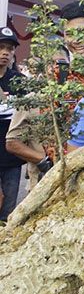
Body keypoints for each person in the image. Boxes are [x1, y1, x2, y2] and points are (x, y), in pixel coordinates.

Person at [6, 44, 71, 190]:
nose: (55, 68)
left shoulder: (81, 99)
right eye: (50, 63)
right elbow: (12, 142)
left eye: (61, 63)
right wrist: (43, 161)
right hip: (42, 183)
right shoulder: (31, 101)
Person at [0, 27, 25, 222]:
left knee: (9, 206)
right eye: (1, 47)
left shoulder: (20, 82)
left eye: (9, 49)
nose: (5, 53)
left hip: (12, 155)